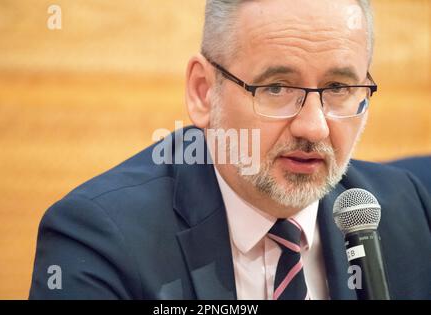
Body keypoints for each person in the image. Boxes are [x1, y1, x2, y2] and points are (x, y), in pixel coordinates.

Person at [29, 0, 431, 299]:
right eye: (276, 88)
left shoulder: (408, 211)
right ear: (204, 92)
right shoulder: (100, 238)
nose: (313, 126)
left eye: (339, 89)